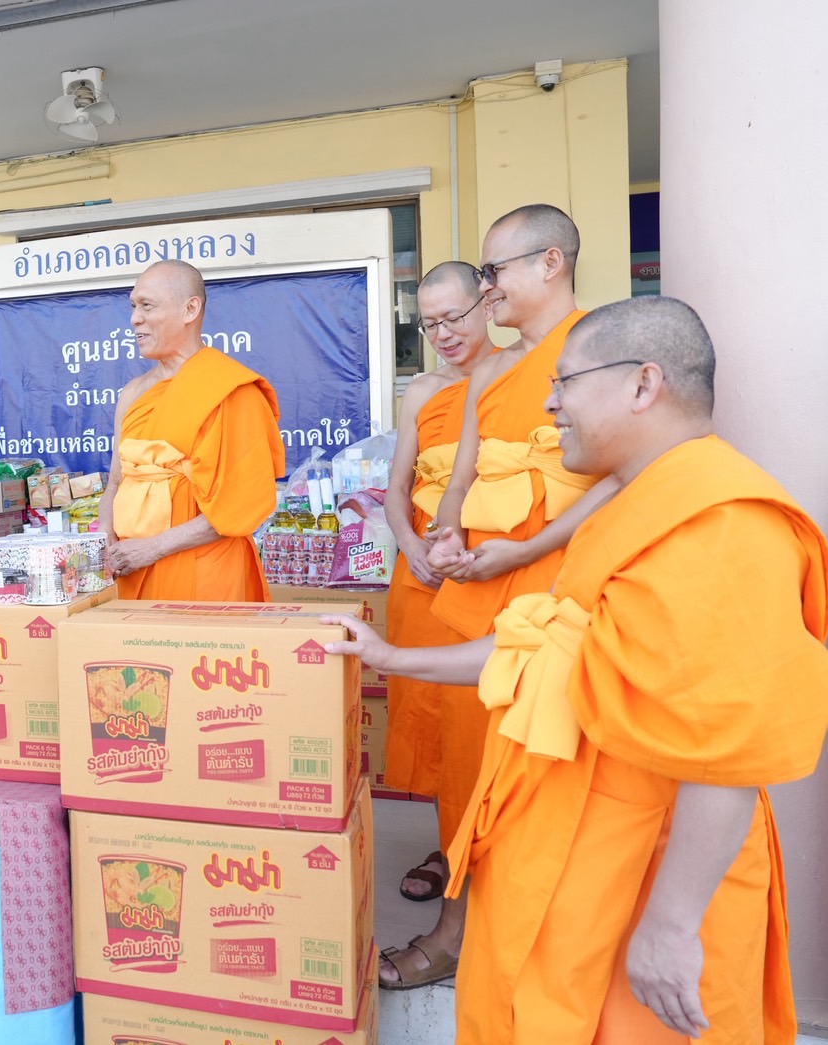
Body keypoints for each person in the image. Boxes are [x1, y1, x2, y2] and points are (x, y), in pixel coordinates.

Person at [326, 297, 828, 1044]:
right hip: (566, 850)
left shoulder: (723, 524)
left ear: (641, 384)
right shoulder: (635, 505)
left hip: (643, 878)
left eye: (564, 382)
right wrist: (392, 658)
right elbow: (547, 647)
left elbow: (724, 755)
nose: (549, 403)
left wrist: (671, 922)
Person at [377, 264, 493, 989]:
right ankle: (451, 850)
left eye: (455, 317)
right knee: (435, 732)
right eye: (429, 324)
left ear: (490, 301)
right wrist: (410, 544)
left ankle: (471, 868)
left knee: (477, 731)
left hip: (482, 575)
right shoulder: (420, 390)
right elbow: (396, 487)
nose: (444, 335)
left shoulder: (521, 377)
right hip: (420, 578)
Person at [428, 204, 616, 639]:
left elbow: (625, 478)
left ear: (550, 263)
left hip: (568, 572)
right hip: (484, 568)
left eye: (492, 271)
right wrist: (451, 537)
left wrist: (526, 552)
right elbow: (461, 481)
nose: (484, 287)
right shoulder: (490, 372)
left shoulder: (606, 347)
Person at [100, 260, 286, 599]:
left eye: (147, 306)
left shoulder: (231, 389)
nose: (134, 319)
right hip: (133, 570)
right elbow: (116, 481)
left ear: (190, 309)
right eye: (132, 307)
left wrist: (153, 548)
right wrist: (105, 534)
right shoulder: (132, 393)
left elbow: (240, 505)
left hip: (205, 570)